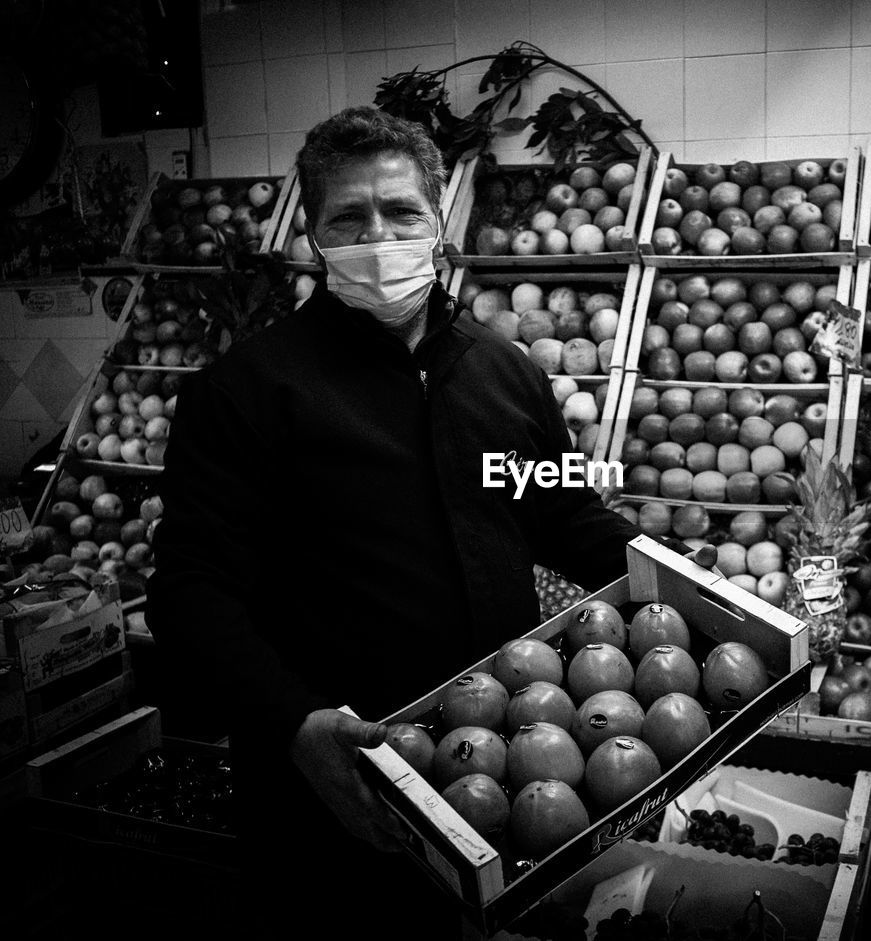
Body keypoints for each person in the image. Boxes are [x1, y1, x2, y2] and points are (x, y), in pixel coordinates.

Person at [147, 106, 656, 936]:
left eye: (400, 211)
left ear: (437, 220)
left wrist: (688, 579)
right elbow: (190, 596)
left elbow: (564, 509)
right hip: (337, 799)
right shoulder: (246, 393)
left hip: (510, 765)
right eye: (349, 216)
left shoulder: (505, 372)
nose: (378, 234)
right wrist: (294, 719)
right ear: (315, 235)